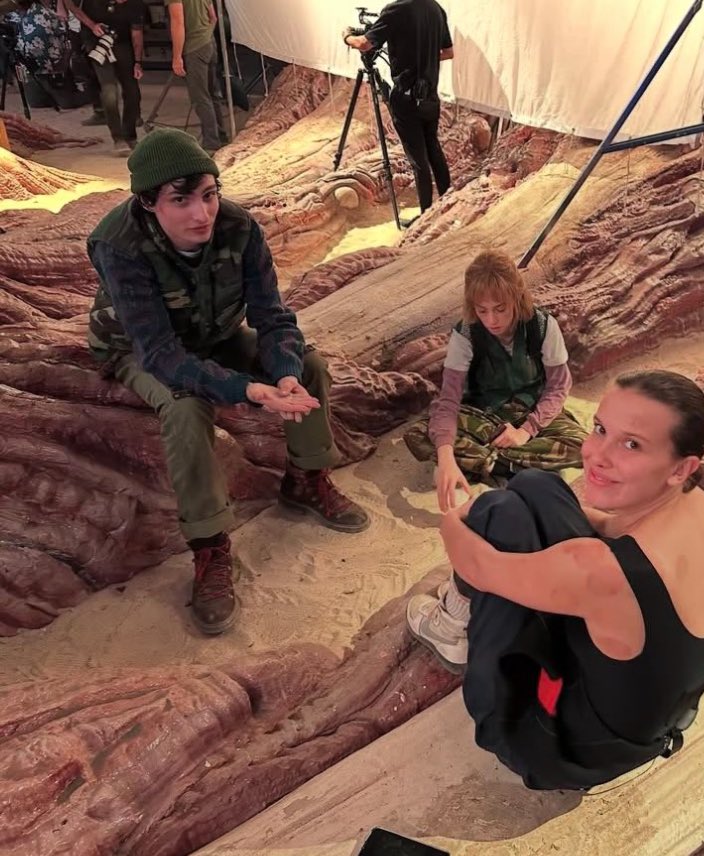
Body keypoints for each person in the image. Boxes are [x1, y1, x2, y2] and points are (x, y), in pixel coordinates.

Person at [86, 129, 370, 636]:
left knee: (308, 365)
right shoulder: (118, 244)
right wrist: (248, 390)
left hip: (214, 334)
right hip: (139, 348)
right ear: (148, 203)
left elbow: (272, 316)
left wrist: (282, 374)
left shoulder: (239, 227)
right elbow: (161, 353)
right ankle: (210, 544)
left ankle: (306, 480)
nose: (202, 214)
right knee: (184, 406)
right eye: (181, 201)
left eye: (209, 195)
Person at [410, 370, 704, 789]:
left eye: (632, 445)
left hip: (564, 749)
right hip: (639, 718)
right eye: (600, 429)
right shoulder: (698, 504)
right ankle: (474, 590)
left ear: (681, 468)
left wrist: (455, 516)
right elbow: (611, 528)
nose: (598, 455)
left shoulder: (600, 571)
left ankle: (451, 629)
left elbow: (477, 565)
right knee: (536, 484)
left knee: (500, 516)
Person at [404, 249, 588, 512]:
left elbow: (558, 387)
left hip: (532, 413)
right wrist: (445, 459)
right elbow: (449, 400)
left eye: (500, 309)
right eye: (483, 310)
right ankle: (513, 464)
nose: (491, 320)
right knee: (420, 433)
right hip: (483, 417)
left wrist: (525, 431)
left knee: (584, 446)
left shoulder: (542, 326)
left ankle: (487, 462)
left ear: (516, 297)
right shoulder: (466, 334)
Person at [344, 0, 453, 218]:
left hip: (406, 99)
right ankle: (448, 207)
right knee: (433, 150)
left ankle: (426, 216)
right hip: (430, 97)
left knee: (419, 162)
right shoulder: (435, 8)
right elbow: (448, 52)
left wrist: (347, 36)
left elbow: (364, 44)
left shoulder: (396, 9)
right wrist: (422, 56)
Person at [64, 0, 145, 154]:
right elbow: (71, 4)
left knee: (133, 92)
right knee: (109, 91)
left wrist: (137, 62)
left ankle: (130, 135)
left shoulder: (135, 4)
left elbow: (137, 34)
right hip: (96, 42)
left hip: (122, 43)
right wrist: (92, 25)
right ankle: (118, 138)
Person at [165, 0, 226, 151]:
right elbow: (213, 17)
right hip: (209, 43)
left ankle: (211, 143)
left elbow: (178, 22)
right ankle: (221, 135)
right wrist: (206, 35)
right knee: (212, 94)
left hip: (194, 48)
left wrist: (177, 56)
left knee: (201, 98)